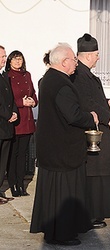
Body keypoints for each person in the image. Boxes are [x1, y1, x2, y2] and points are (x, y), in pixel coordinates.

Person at [30, 43, 99, 246]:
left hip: (52, 148)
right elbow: (73, 115)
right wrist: (91, 117)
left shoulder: (49, 79)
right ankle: (62, 233)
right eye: (74, 60)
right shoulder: (61, 83)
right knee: (63, 194)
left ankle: (54, 231)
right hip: (63, 150)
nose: (76, 64)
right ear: (64, 62)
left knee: (52, 193)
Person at [70, 33, 110, 228]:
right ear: (89, 54)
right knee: (94, 172)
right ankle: (90, 214)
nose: (98, 58)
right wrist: (108, 117)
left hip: (101, 128)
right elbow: (87, 102)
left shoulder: (89, 75)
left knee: (100, 171)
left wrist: (107, 103)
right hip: (93, 131)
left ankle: (98, 212)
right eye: (97, 54)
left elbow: (96, 100)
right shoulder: (79, 75)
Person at [5, 50, 38, 197]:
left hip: (27, 119)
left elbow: (33, 94)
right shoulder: (7, 77)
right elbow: (6, 99)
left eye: (20, 59)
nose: (18, 62)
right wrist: (20, 102)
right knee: (14, 155)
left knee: (23, 155)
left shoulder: (27, 75)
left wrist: (32, 101)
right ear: (10, 61)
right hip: (15, 120)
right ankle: (13, 185)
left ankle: (21, 184)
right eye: (15, 59)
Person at [0, 45, 18, 205]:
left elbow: (10, 98)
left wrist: (14, 113)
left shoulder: (4, 76)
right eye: (2, 56)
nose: (4, 59)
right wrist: (7, 115)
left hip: (6, 127)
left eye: (5, 56)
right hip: (1, 123)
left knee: (3, 161)